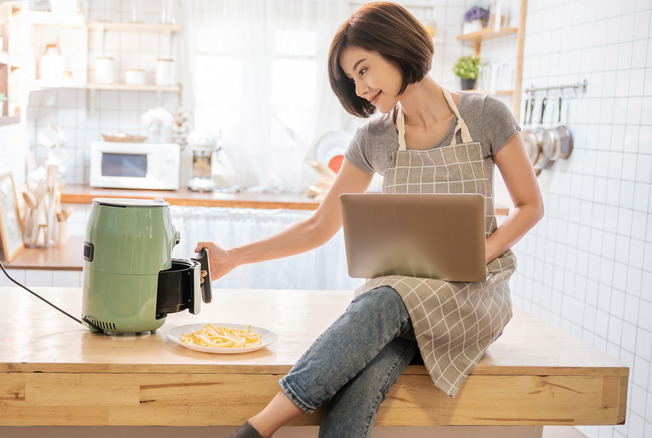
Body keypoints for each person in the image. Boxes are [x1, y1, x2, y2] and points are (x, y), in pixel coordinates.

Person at [196, 3, 544, 437]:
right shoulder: (374, 139)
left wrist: (477, 254)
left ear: (397, 47)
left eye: (363, 70)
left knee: (381, 299)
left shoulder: (485, 115)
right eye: (352, 78)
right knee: (356, 385)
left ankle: (258, 428)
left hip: (471, 296)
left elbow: (531, 205)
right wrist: (232, 258)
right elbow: (319, 226)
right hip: (400, 302)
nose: (360, 88)